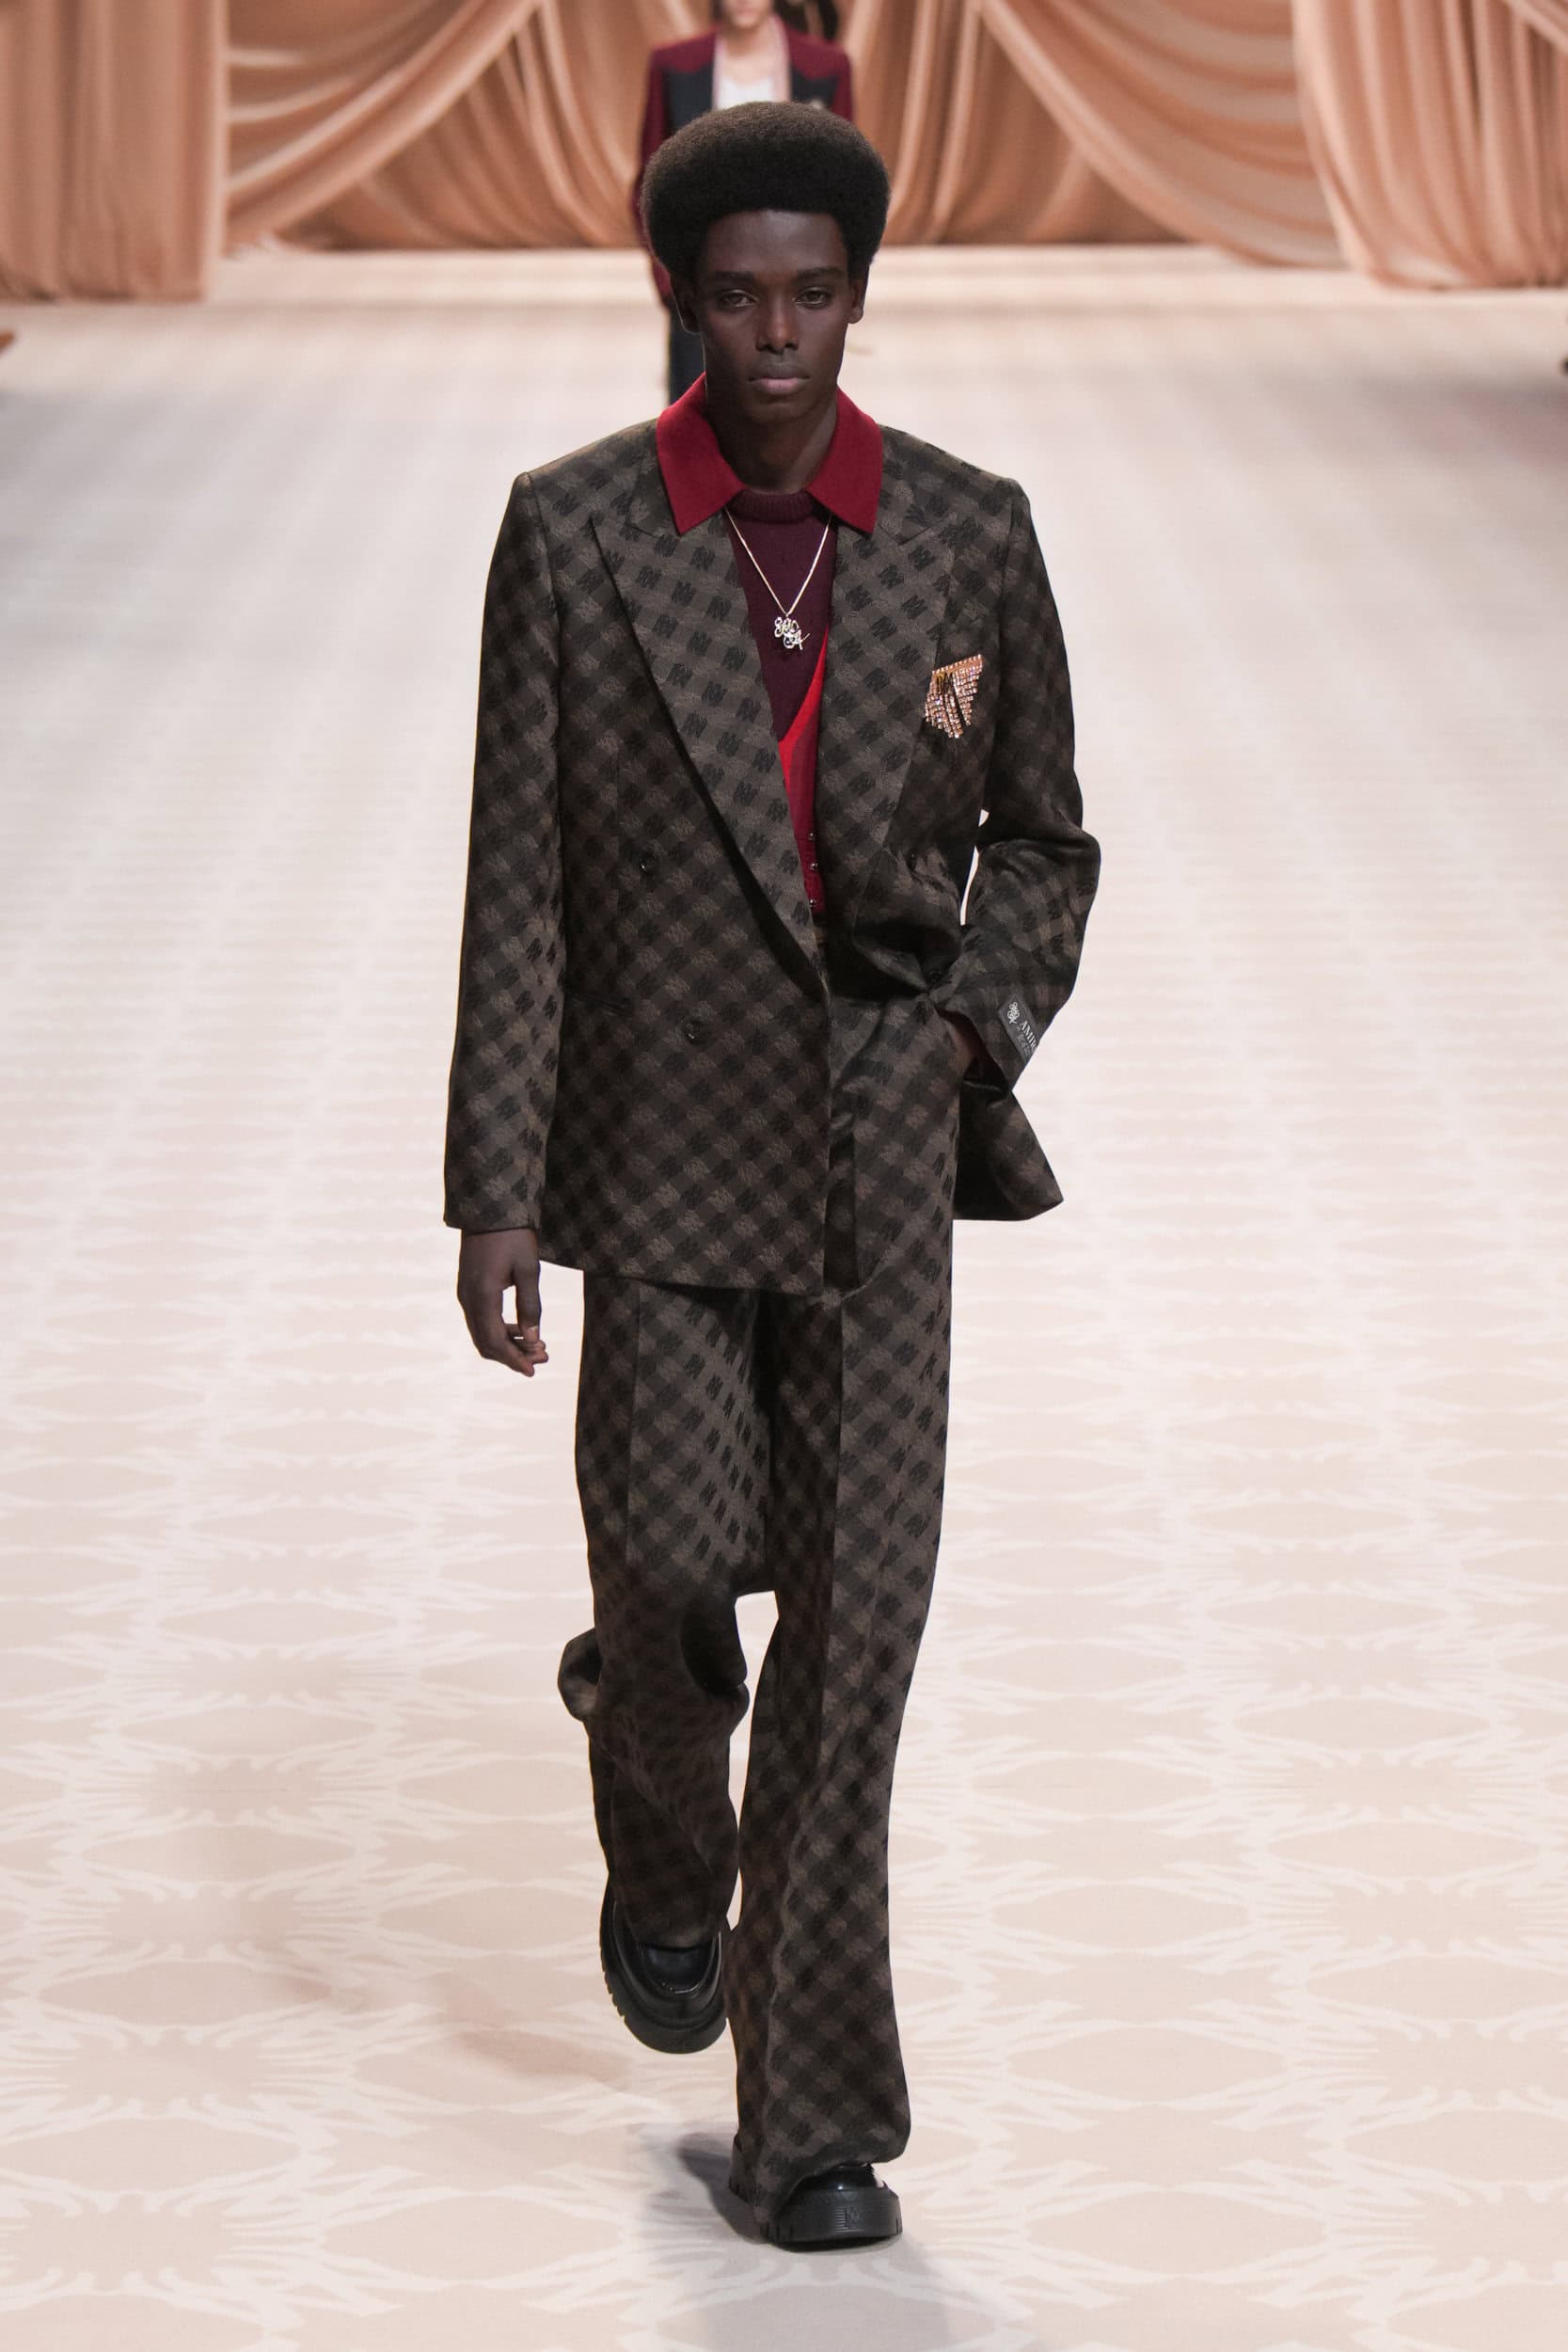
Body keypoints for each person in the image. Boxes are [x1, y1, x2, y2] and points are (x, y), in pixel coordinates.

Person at [447, 103, 1099, 2251]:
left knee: (850, 1647)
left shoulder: (970, 531)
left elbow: (1045, 841)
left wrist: (968, 1033)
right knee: (663, 1578)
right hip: (652, 1153)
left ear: (860, 293)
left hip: (880, 1158)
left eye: (814, 293)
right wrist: (496, 1187)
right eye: (737, 297)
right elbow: (520, 880)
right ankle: (657, 1821)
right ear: (679, 299)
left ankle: (810, 2125)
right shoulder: (574, 531)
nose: (779, 336)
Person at [634, 0, 853, 405]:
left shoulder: (824, 66)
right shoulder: (674, 65)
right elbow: (650, 181)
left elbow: (845, 182)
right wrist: (670, 280)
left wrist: (836, 283)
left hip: (796, 278)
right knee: (697, 414)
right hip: (701, 275)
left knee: (790, 412)